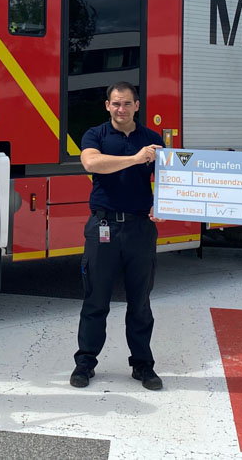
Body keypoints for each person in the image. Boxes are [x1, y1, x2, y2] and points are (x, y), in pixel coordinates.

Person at [71, 82, 165, 390]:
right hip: (103, 228)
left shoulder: (152, 139)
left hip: (140, 228)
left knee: (140, 303)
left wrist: (163, 204)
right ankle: (85, 363)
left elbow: (169, 179)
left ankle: (143, 366)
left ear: (137, 106)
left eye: (126, 104)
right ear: (107, 106)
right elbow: (91, 162)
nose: (120, 109)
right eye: (115, 104)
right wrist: (136, 159)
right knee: (95, 300)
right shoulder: (95, 135)